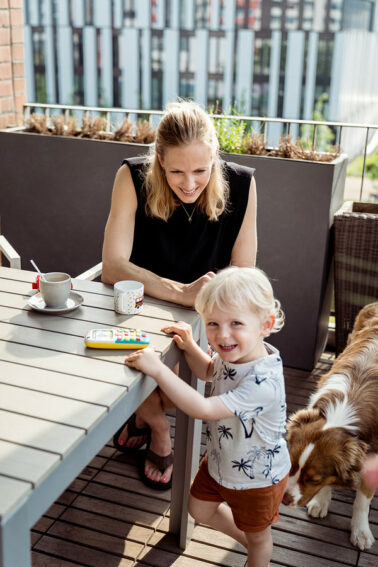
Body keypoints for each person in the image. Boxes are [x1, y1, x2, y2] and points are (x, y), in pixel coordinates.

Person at [102, 100, 257, 489]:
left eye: (201, 171)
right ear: (158, 160)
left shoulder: (242, 184)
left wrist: (199, 303)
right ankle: (157, 428)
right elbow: (113, 266)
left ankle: (143, 415)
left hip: (209, 310)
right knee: (122, 360)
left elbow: (243, 275)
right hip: (140, 304)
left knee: (186, 380)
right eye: (176, 172)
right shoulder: (131, 176)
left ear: (215, 158)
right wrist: (179, 292)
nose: (189, 183)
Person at [125, 266, 291, 567]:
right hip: (220, 461)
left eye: (236, 323)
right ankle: (253, 543)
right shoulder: (237, 354)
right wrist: (190, 347)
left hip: (258, 479)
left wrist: (159, 370)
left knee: (259, 538)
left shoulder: (263, 382)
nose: (222, 334)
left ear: (265, 325)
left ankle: (257, 548)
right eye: (212, 323)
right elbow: (208, 371)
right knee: (199, 510)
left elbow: (203, 409)